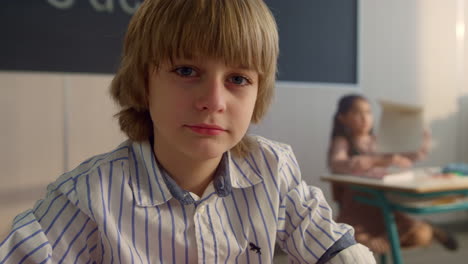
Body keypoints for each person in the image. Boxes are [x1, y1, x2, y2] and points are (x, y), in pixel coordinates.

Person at [0, 1, 376, 263]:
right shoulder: (87, 197)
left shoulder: (273, 168)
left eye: (238, 79)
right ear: (143, 81)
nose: (213, 101)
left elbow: (335, 249)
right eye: (186, 71)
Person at [327, 94, 458, 254]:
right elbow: (338, 164)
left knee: (421, 235)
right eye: (357, 113)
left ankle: (389, 239)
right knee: (346, 242)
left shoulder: (379, 140)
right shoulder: (343, 141)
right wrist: (380, 159)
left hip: (386, 209)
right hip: (357, 211)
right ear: (343, 118)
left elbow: (405, 159)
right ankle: (380, 242)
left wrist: (419, 141)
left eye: (368, 112)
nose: (364, 118)